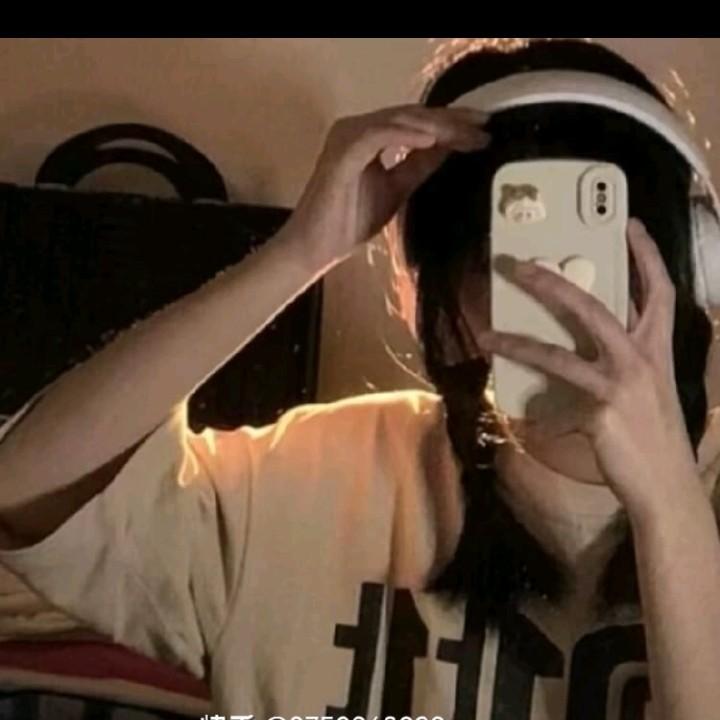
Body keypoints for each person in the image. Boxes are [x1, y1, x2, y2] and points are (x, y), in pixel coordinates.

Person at [0, 39, 719, 720]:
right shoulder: (320, 477)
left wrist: (668, 505)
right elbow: (22, 488)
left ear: (694, 265)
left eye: (601, 243)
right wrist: (298, 254)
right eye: (510, 261)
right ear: (435, 311)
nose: (568, 295)